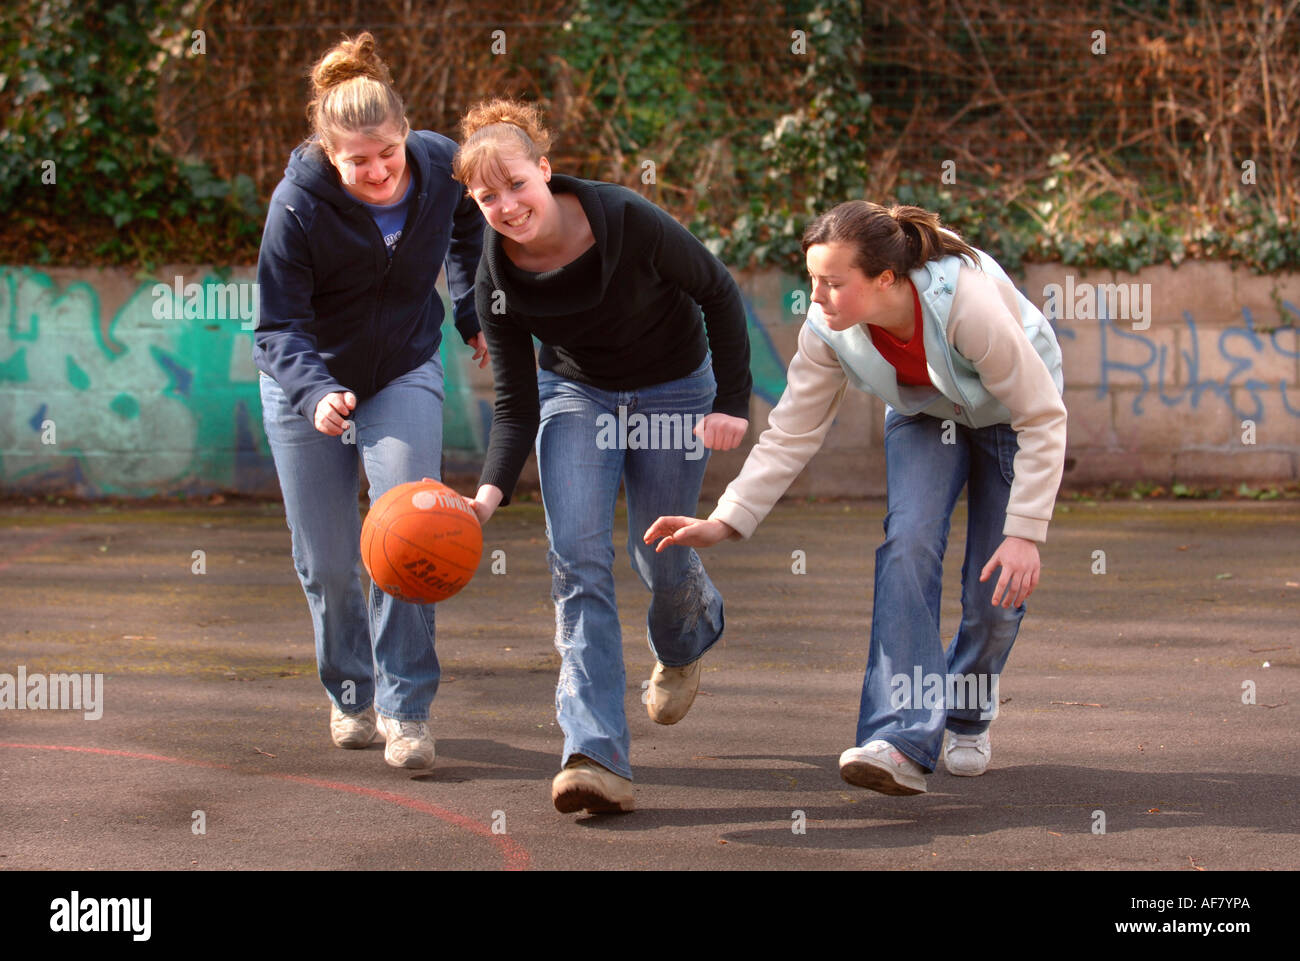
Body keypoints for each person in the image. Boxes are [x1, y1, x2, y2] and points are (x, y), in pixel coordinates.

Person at [646, 201, 1066, 795]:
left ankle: (968, 708)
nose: (816, 297)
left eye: (834, 283)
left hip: (1013, 417)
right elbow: (792, 430)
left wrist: (1025, 534)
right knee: (908, 543)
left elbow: (1043, 415)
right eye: (813, 280)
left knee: (993, 595)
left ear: (886, 279)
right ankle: (898, 738)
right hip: (925, 414)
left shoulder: (964, 305)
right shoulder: (826, 329)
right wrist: (725, 519)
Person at [452, 99, 752, 813]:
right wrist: (486, 496)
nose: (507, 205)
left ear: (545, 172)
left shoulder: (625, 218)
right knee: (576, 559)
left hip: (676, 388)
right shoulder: (495, 283)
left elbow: (718, 290)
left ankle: (686, 636)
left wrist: (731, 403)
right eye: (487, 196)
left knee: (661, 552)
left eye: (516, 185)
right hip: (577, 396)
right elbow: (517, 404)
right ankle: (594, 753)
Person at [253, 32, 487, 770]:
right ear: (329, 152)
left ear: (405, 133)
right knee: (326, 560)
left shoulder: (439, 164)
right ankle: (351, 692)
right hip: (307, 382)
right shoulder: (297, 205)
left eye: (388, 152)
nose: (378, 170)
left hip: (403, 369)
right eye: (358, 160)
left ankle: (407, 708)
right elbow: (276, 326)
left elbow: (468, 225)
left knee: (408, 537)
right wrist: (317, 391)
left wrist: (472, 311)